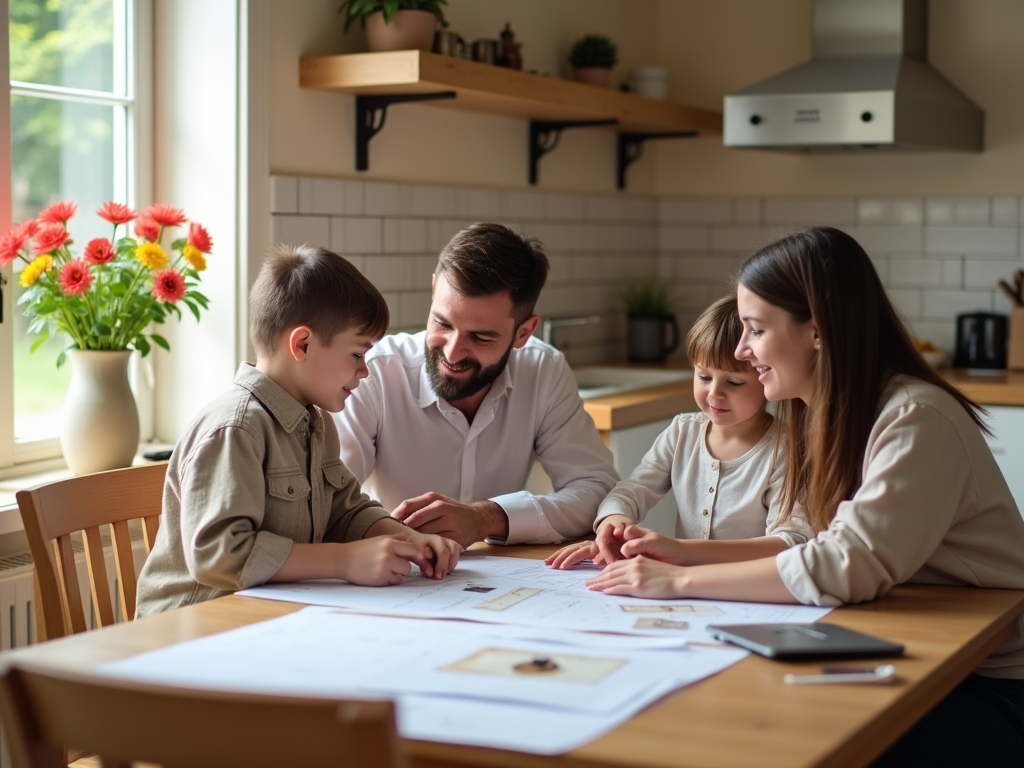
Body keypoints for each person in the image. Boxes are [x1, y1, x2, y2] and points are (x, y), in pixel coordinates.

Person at [585, 227, 1024, 765]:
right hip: (910, 639)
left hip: (987, 679)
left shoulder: (914, 416)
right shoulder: (828, 412)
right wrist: (683, 551)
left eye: (755, 330)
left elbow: (845, 565)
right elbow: (821, 548)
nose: (744, 350)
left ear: (815, 331)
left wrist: (679, 580)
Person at [137, 244, 461, 617]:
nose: (364, 371)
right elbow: (217, 554)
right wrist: (343, 561)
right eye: (357, 355)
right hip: (190, 628)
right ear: (302, 343)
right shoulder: (236, 428)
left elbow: (345, 509)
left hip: (266, 618)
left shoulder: (316, 422)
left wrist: (409, 539)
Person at [333, 222, 618, 549]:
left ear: (524, 332)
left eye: (481, 337)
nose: (452, 352)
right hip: (392, 574)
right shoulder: (374, 373)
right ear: (434, 288)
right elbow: (330, 503)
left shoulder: (543, 371)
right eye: (442, 323)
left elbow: (597, 489)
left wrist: (488, 517)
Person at [546, 295, 811, 571]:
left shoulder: (786, 448)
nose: (715, 393)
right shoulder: (683, 432)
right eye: (704, 377)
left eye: (734, 382)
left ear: (765, 376)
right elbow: (632, 490)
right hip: (678, 584)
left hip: (750, 588)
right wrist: (615, 523)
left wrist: (682, 550)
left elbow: (791, 541)